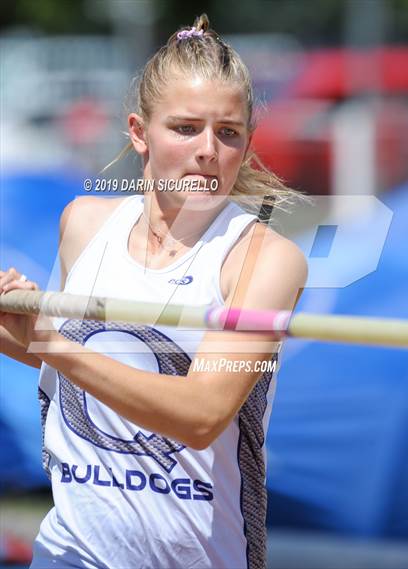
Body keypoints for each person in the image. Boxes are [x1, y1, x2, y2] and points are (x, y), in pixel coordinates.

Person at [0, 14, 308, 569]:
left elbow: (200, 415)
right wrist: (15, 331)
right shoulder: (84, 224)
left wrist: (48, 342)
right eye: (186, 128)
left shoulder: (265, 259)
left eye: (228, 132)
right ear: (139, 132)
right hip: (68, 550)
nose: (209, 150)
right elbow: (79, 367)